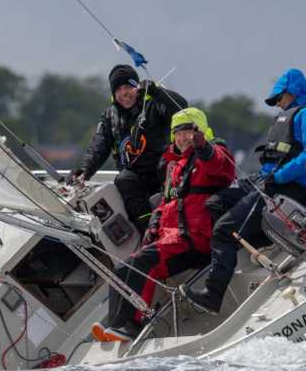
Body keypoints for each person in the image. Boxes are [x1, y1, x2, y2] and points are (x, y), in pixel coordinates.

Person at [184, 68, 306, 314]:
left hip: (286, 189)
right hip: (266, 182)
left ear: (293, 92)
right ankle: (227, 255)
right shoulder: (290, 116)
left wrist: (280, 175)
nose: (277, 104)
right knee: (214, 204)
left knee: (224, 229)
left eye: (279, 99)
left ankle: (212, 296)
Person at [91, 107, 235, 342]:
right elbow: (167, 202)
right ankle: (117, 324)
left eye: (189, 131)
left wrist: (203, 146)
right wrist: (154, 224)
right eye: (178, 133)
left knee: (140, 264)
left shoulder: (213, 153)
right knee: (122, 267)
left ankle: (131, 324)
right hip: (172, 238)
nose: (183, 137)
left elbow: (220, 167)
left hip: (195, 239)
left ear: (200, 132)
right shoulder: (175, 166)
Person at [70, 64, 187, 233]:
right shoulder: (110, 115)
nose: (124, 93)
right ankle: (149, 230)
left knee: (167, 166)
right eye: (118, 90)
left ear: (137, 87)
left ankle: (174, 222)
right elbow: (99, 145)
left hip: (163, 169)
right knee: (123, 179)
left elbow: (182, 108)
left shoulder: (154, 102)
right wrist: (84, 171)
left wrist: (157, 92)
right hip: (136, 176)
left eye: (128, 87)